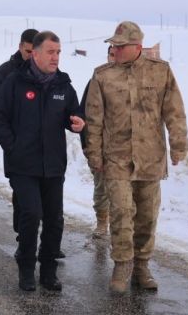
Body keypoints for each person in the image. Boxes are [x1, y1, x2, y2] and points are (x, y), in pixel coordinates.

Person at [84, 21, 188, 293]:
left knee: (146, 216)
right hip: (116, 159)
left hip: (150, 158)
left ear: (137, 47)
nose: (114, 50)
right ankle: (122, 265)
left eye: (120, 46)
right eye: (113, 46)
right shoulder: (102, 76)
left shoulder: (160, 72)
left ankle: (142, 265)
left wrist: (179, 146)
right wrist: (93, 154)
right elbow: (93, 120)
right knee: (121, 212)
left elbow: (174, 111)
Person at [0, 31, 84, 292]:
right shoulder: (15, 82)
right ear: (35, 53)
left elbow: (73, 112)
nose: (55, 57)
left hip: (53, 164)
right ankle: (26, 268)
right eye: (50, 52)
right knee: (31, 214)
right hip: (23, 165)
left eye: (58, 52)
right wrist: (13, 147)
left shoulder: (62, 85)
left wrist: (77, 121)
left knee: (54, 219)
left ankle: (48, 270)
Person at [80, 46, 114, 240]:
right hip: (101, 147)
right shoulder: (97, 81)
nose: (113, 58)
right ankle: (102, 222)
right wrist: (88, 146)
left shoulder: (134, 82)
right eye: (111, 54)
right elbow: (84, 115)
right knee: (102, 188)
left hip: (125, 149)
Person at [0, 28, 38, 105]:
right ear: (20, 47)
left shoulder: (48, 72)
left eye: (36, 52)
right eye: (28, 51)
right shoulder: (4, 71)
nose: (32, 56)